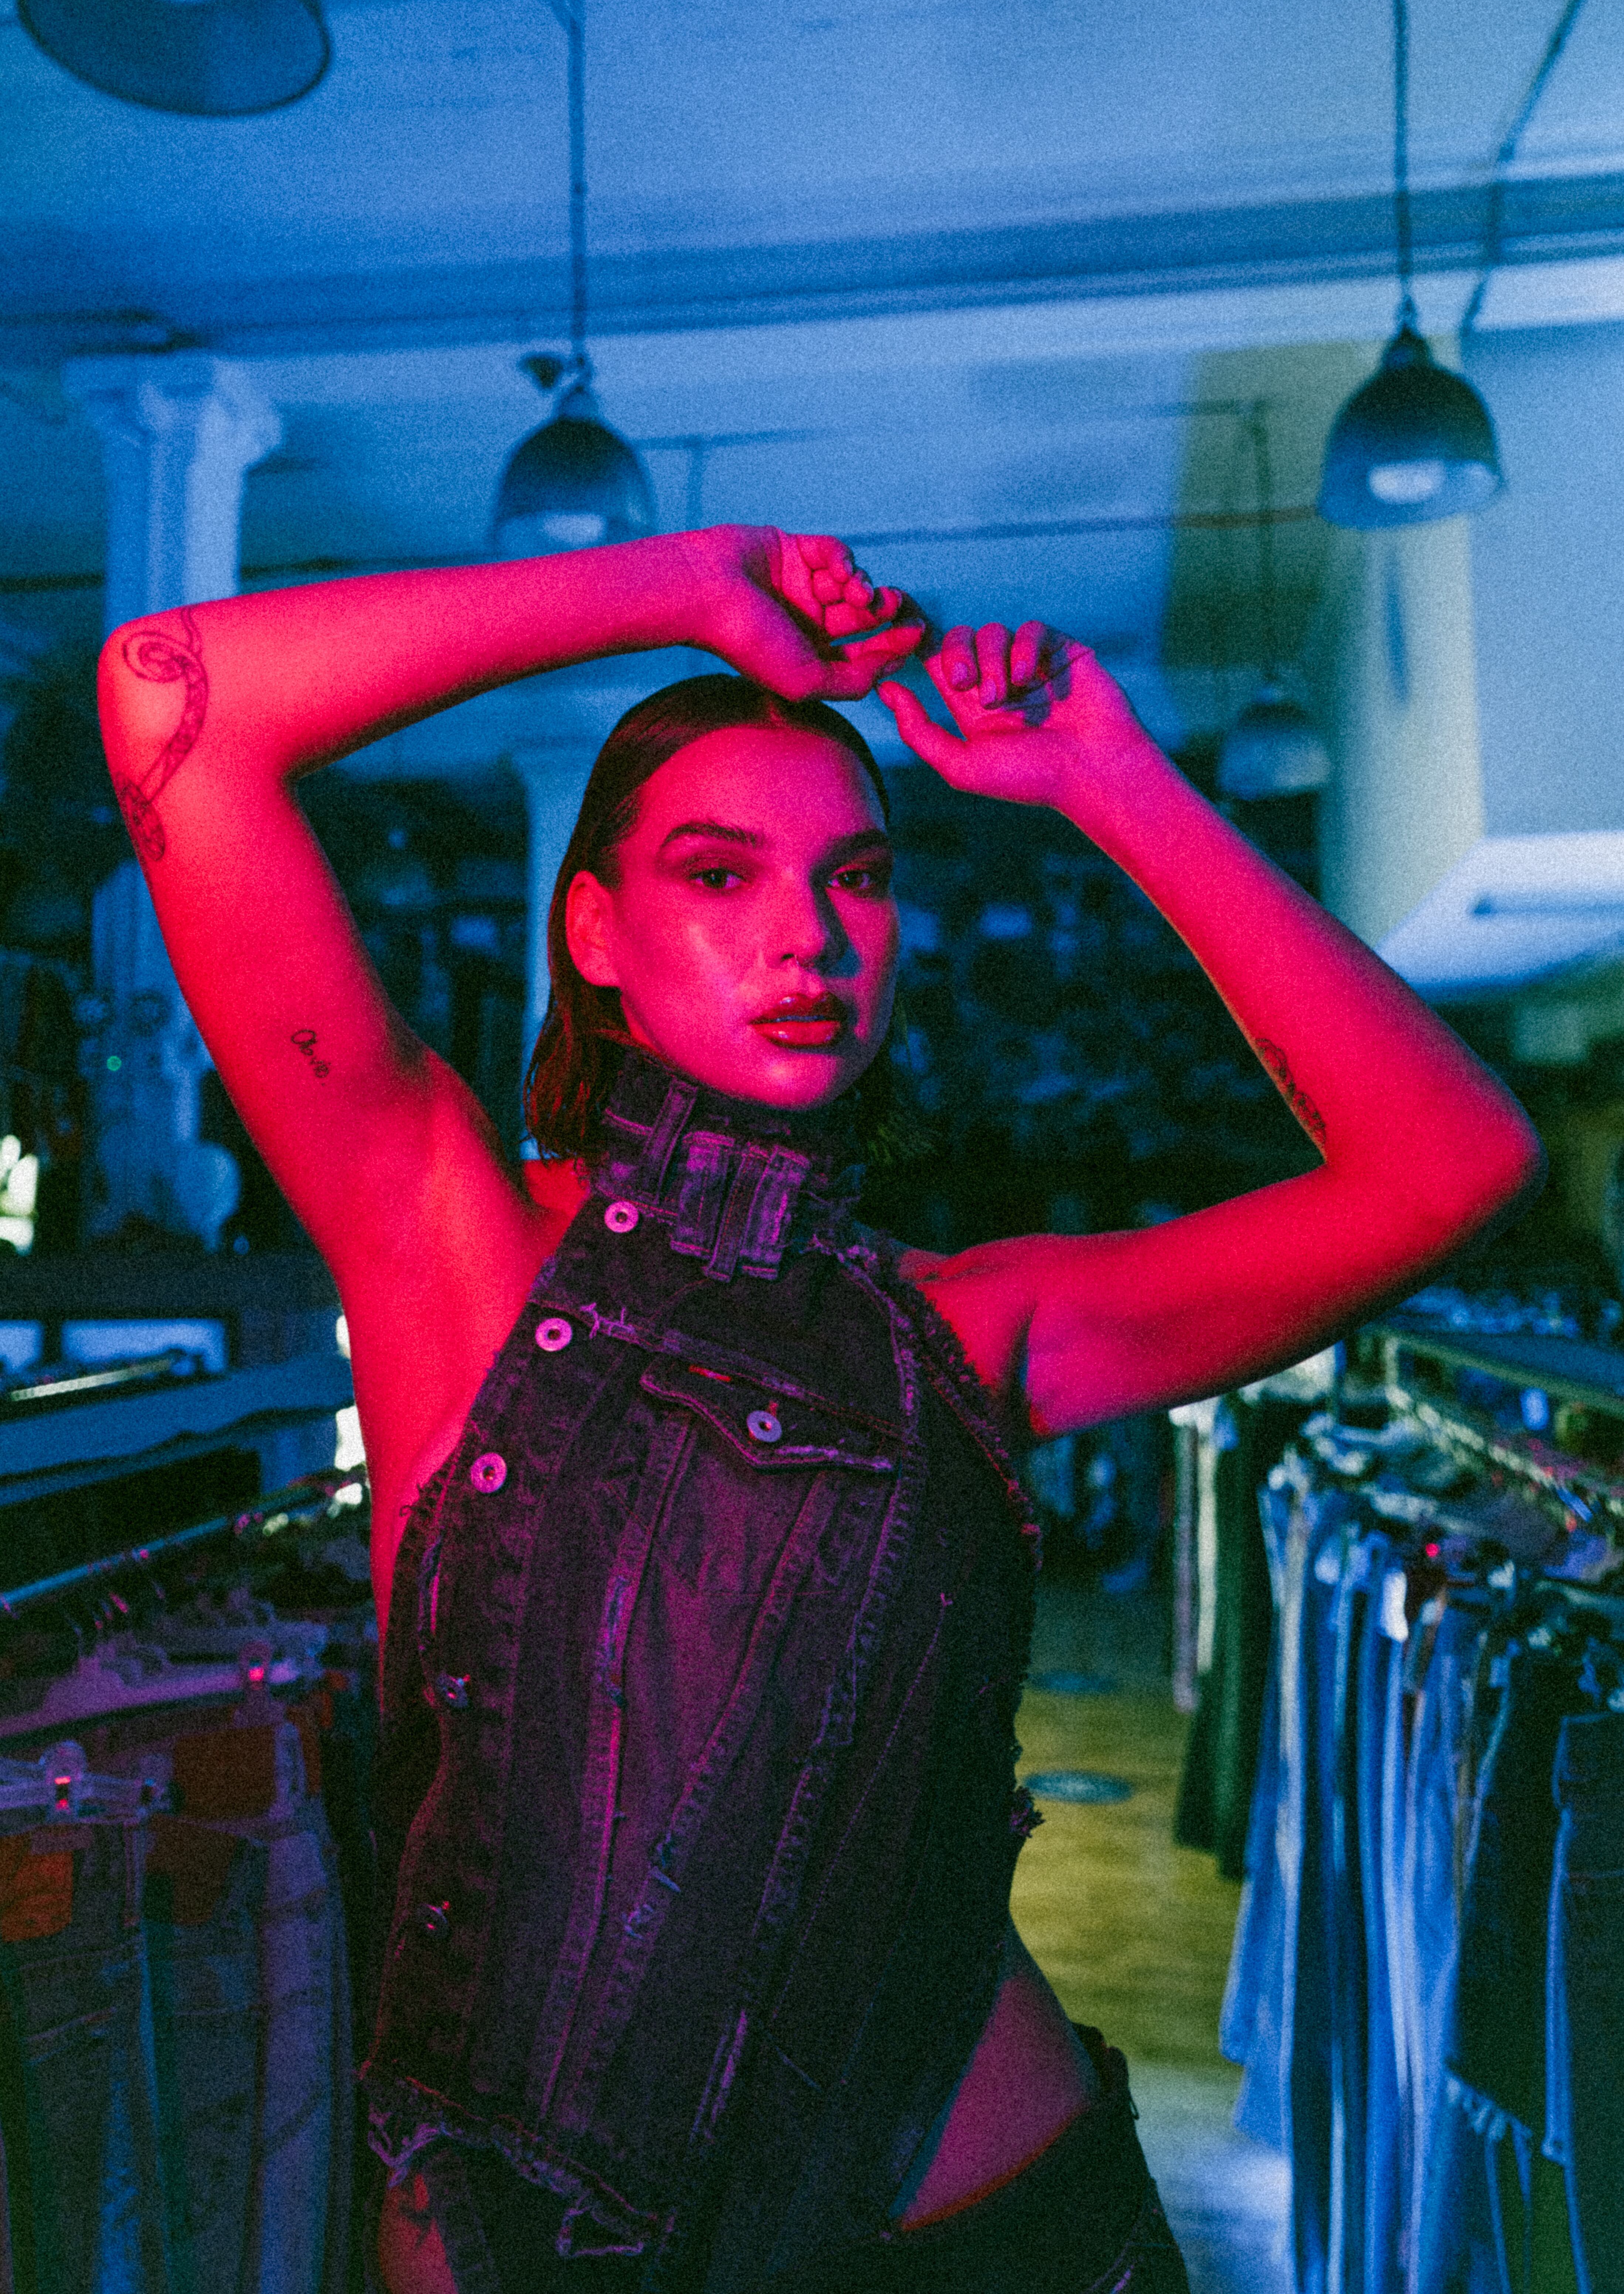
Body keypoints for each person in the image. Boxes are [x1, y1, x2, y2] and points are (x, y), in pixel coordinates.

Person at [98, 525, 1542, 2294]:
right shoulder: (450, 1244)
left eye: (858, 880)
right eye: (720, 874)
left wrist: (1107, 777)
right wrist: (686, 587)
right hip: (532, 2242)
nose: (809, 935)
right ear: (595, 932)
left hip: (1003, 2236)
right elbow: (169, 695)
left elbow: (1458, 1163)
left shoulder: (974, 1325)